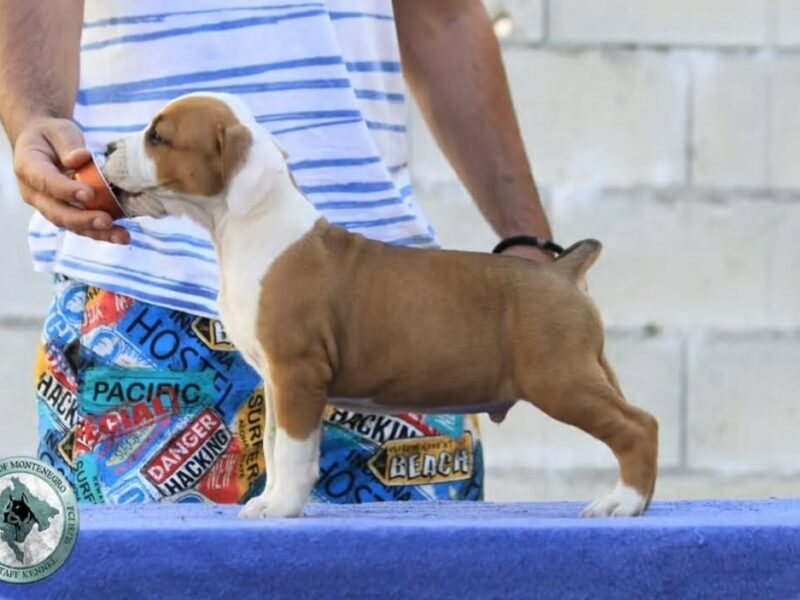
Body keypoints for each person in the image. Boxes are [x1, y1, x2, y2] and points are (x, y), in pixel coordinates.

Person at [0, 0, 554, 505]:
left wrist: (528, 241)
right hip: (140, 311)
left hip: (390, 309)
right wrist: (34, 116)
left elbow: (443, 15)